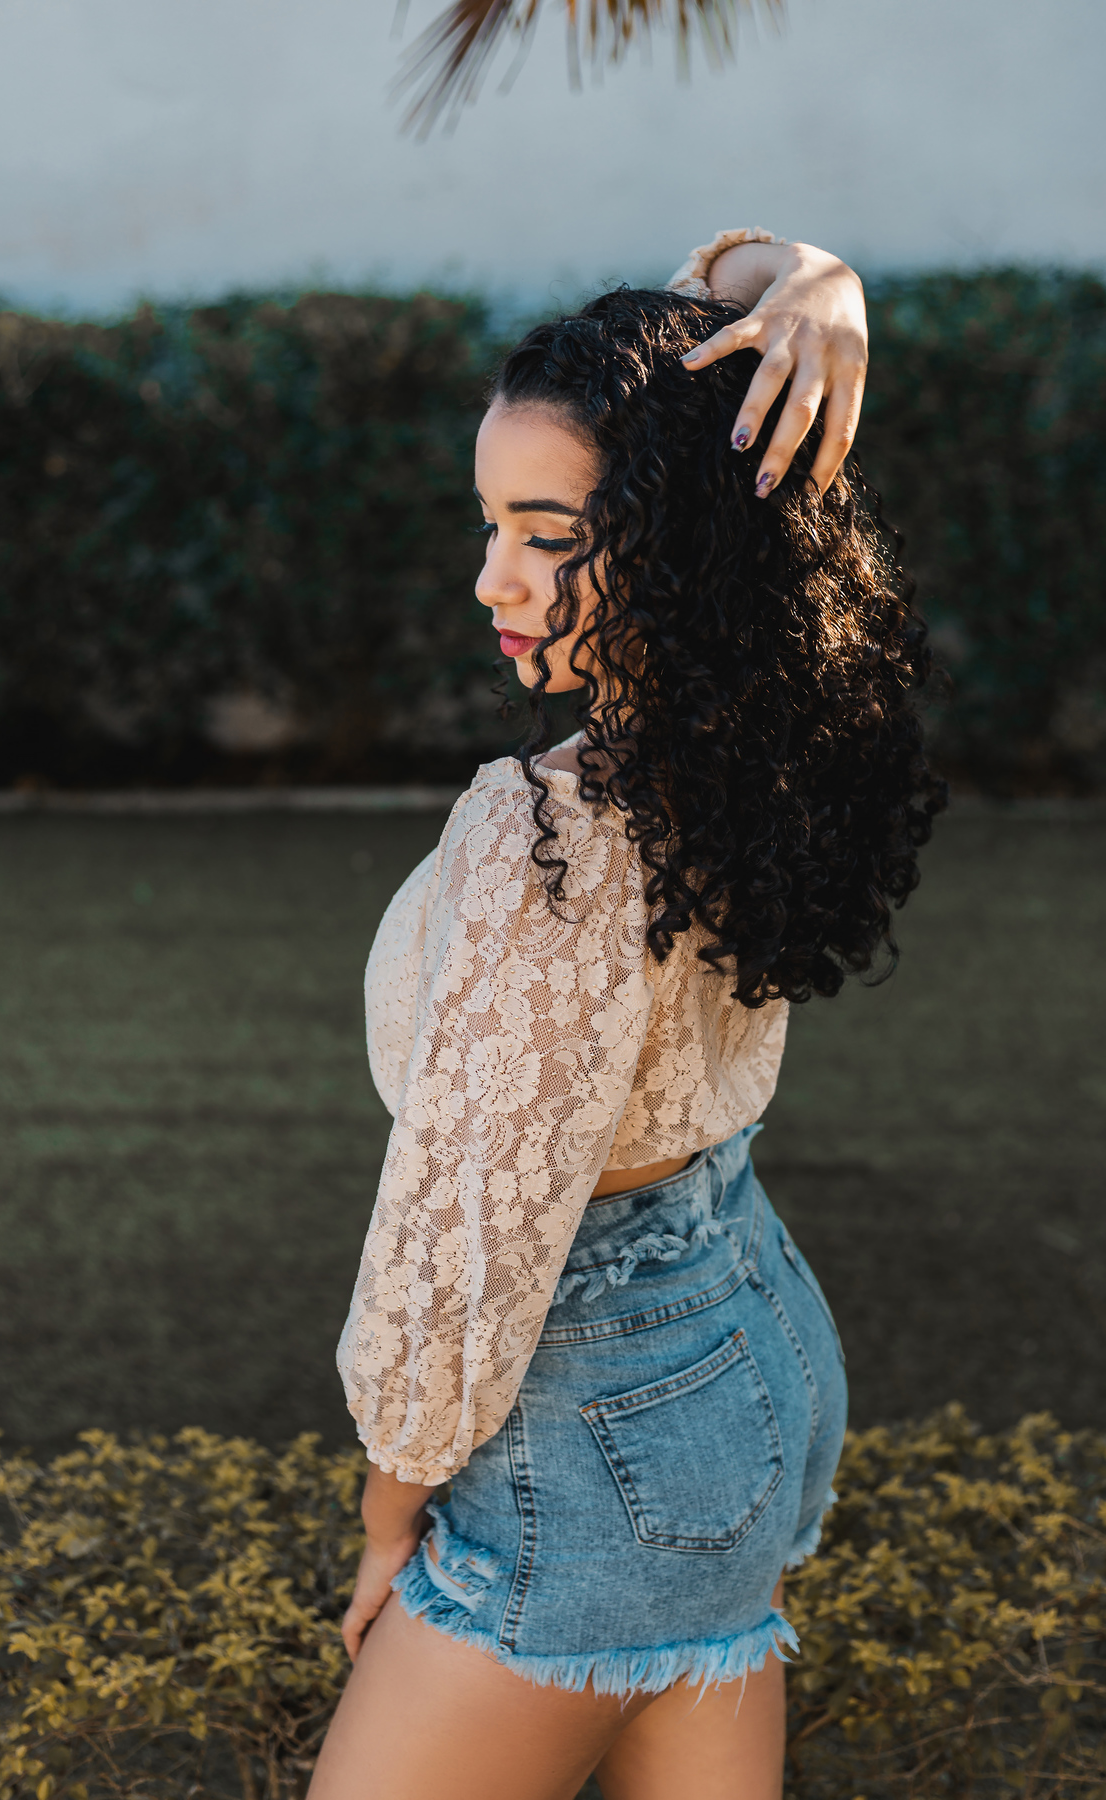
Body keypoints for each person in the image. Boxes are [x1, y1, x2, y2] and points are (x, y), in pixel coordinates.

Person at [310, 233, 944, 1800]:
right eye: (488, 526)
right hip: (749, 1363)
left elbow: (462, 1244)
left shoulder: (550, 845)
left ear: (675, 544)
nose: (492, 579)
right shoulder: (752, 750)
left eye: (546, 533)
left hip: (593, 1444)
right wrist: (809, 277)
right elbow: (708, 374)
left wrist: (392, 1514)